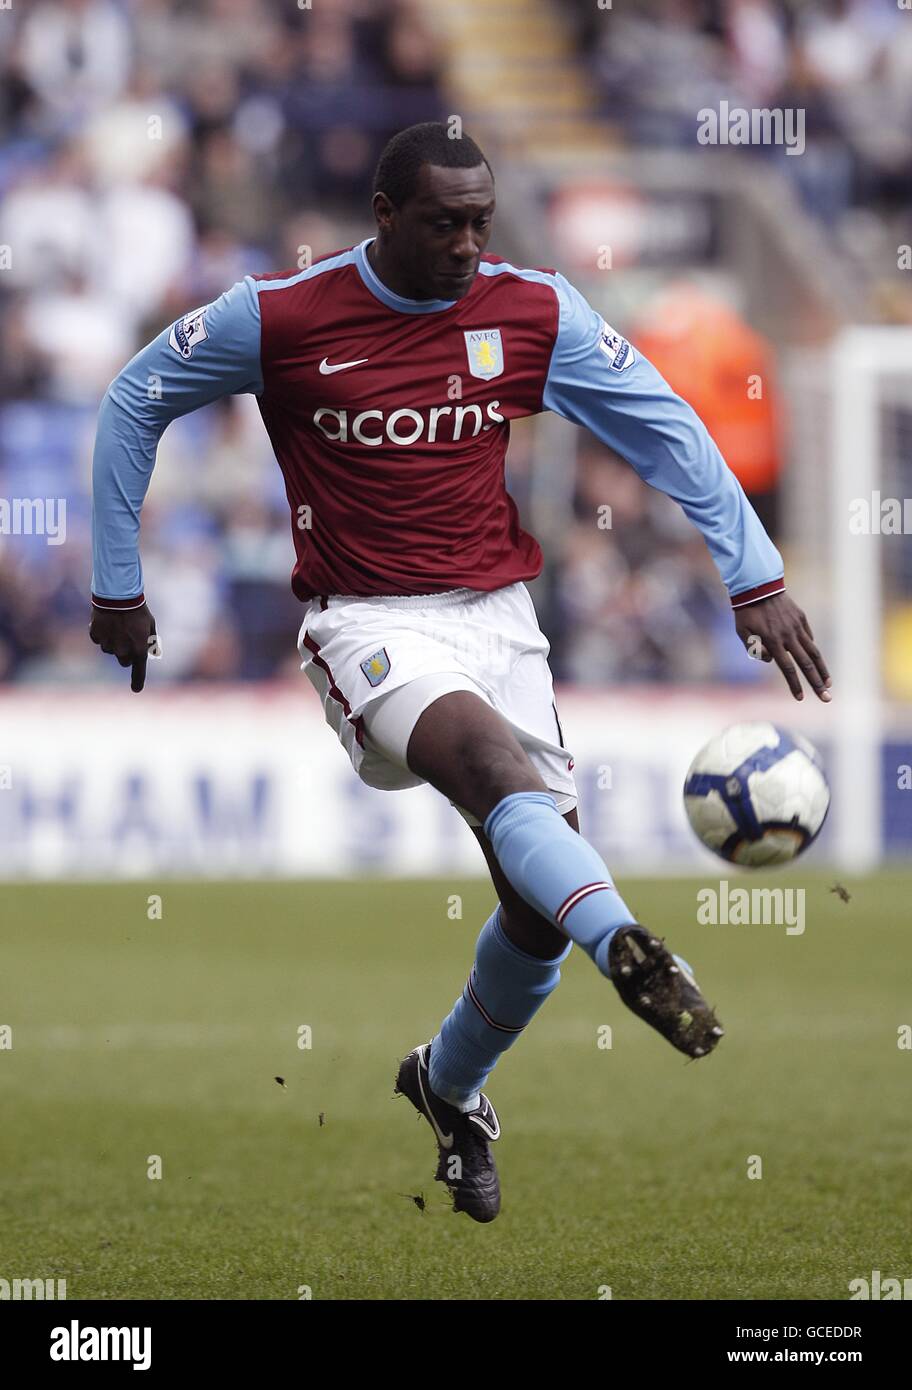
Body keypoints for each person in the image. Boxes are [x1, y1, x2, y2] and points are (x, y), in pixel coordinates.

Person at [89, 122, 832, 1224]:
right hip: (366, 624)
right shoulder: (281, 317)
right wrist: (118, 582)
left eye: (482, 221)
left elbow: (664, 424)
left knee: (531, 913)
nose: (468, 244)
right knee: (496, 776)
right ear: (385, 215)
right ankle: (628, 945)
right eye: (445, 223)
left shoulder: (532, 311)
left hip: (500, 621)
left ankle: (448, 1083)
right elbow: (132, 399)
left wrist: (754, 573)